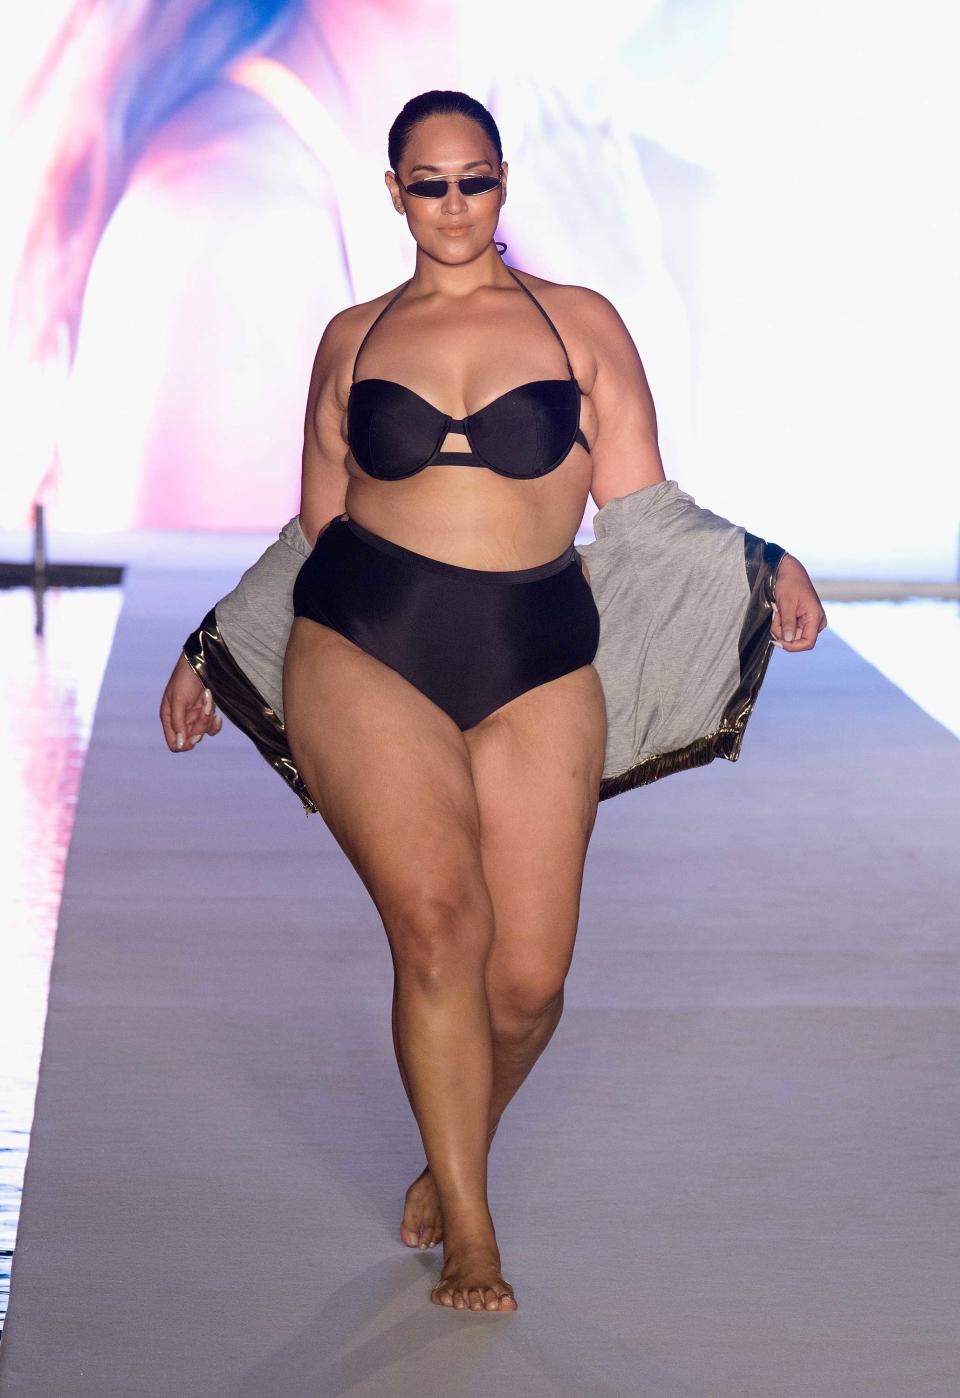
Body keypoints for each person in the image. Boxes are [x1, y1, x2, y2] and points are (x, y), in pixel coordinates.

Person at [160, 90, 827, 1313]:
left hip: (536, 651)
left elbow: (643, 505)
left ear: (504, 183)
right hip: (364, 638)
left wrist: (761, 559)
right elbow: (318, 524)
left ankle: (450, 1145)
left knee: (528, 982)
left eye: (475, 180)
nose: (455, 204)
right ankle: (471, 1230)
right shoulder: (352, 338)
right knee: (438, 929)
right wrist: (222, 644)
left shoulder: (580, 326)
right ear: (394, 192)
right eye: (430, 183)